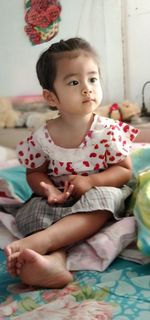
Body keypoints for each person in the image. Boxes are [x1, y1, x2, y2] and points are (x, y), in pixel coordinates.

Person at [5, 37, 139, 288]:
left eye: (93, 79)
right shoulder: (42, 137)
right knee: (32, 212)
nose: (87, 88)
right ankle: (54, 263)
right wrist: (49, 190)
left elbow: (123, 171)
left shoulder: (107, 131)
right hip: (60, 199)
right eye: (74, 82)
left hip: (98, 192)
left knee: (106, 200)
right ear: (51, 97)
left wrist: (92, 181)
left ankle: (44, 242)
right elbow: (35, 173)